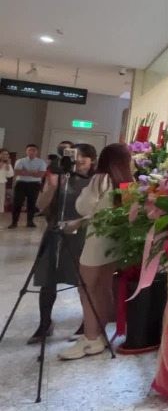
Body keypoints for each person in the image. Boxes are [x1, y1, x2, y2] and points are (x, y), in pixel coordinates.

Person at [58, 143, 133, 360]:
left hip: (97, 241)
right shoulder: (128, 181)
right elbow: (125, 212)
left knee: (86, 288)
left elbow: (83, 207)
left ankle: (90, 339)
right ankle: (99, 334)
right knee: (104, 287)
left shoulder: (100, 179)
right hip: (114, 240)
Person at [29, 144, 97, 344]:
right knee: (47, 278)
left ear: (93, 160)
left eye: (85, 156)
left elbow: (100, 210)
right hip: (55, 232)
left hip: (82, 234)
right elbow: (40, 205)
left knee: (83, 281)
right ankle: (45, 323)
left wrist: (79, 222)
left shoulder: (95, 181)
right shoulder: (60, 177)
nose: (80, 159)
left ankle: (86, 323)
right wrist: (52, 186)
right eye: (76, 155)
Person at [10, 144, 47, 228]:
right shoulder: (20, 161)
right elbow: (17, 172)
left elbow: (40, 174)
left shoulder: (41, 162)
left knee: (32, 204)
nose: (31, 152)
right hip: (21, 184)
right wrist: (33, 172)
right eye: (29, 150)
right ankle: (14, 222)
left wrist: (26, 171)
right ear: (26, 151)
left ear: (37, 152)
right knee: (17, 203)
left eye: (34, 150)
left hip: (34, 185)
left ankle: (30, 222)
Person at [0, 149, 14, 222]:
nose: (5, 156)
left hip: (1, 184)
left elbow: (10, 175)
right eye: (3, 154)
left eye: (7, 154)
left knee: (0, 202)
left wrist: (8, 165)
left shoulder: (8, 164)